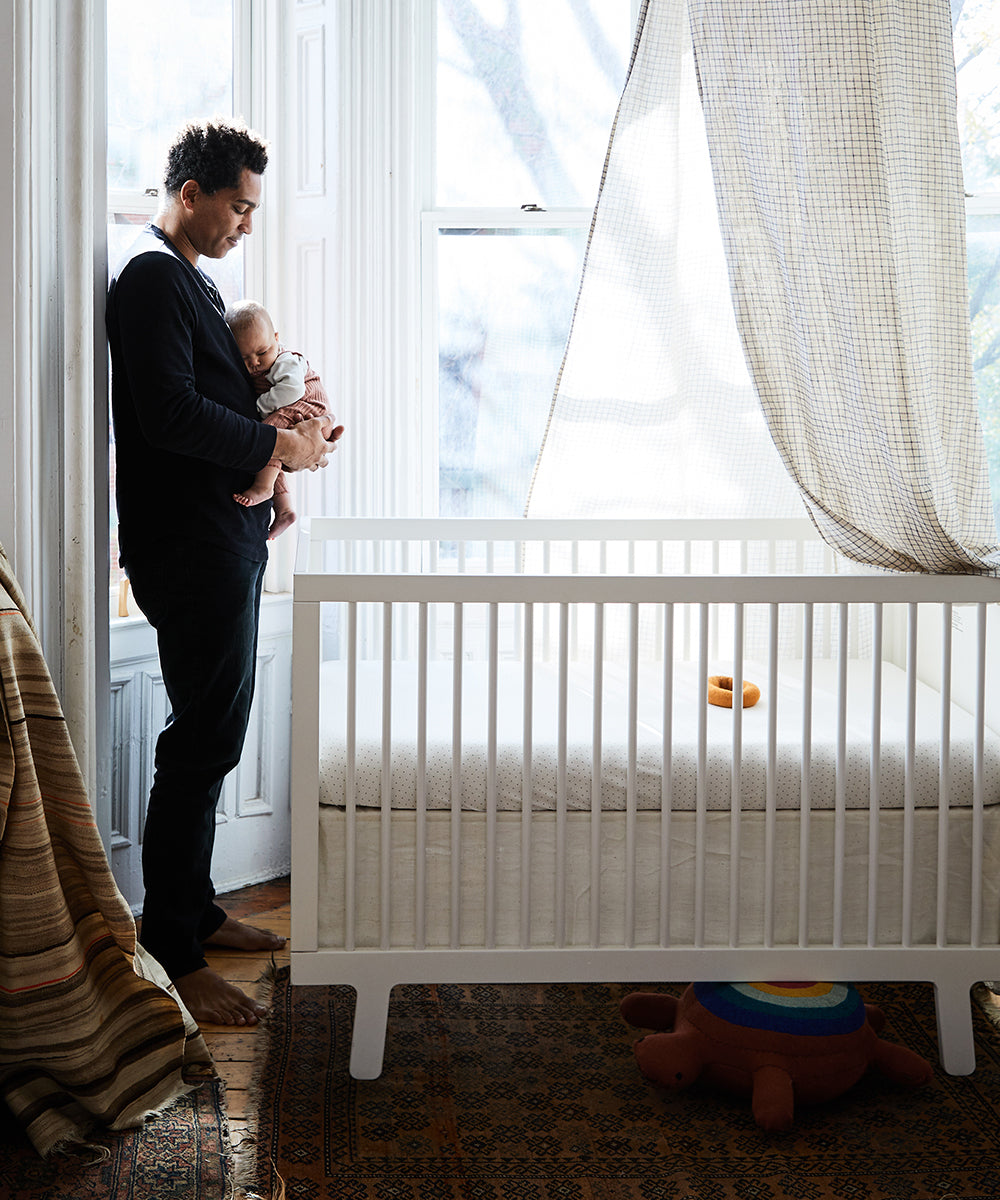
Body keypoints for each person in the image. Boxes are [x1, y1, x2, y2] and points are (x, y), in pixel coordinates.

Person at [106, 119, 338, 1027]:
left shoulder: (196, 285)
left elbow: (219, 399)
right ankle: (174, 948)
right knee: (200, 742)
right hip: (187, 547)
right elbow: (164, 414)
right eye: (237, 206)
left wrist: (290, 445)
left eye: (252, 209)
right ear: (191, 192)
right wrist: (280, 444)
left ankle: (196, 909)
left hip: (221, 539)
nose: (246, 223)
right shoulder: (152, 278)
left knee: (215, 736)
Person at [225, 300, 343, 538]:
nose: (255, 363)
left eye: (262, 352)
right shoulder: (261, 361)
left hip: (310, 407)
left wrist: (259, 406)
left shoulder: (285, 360)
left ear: (276, 338)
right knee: (272, 454)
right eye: (244, 359)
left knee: (268, 436)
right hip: (295, 410)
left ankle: (264, 487)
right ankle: (285, 509)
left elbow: (292, 391)